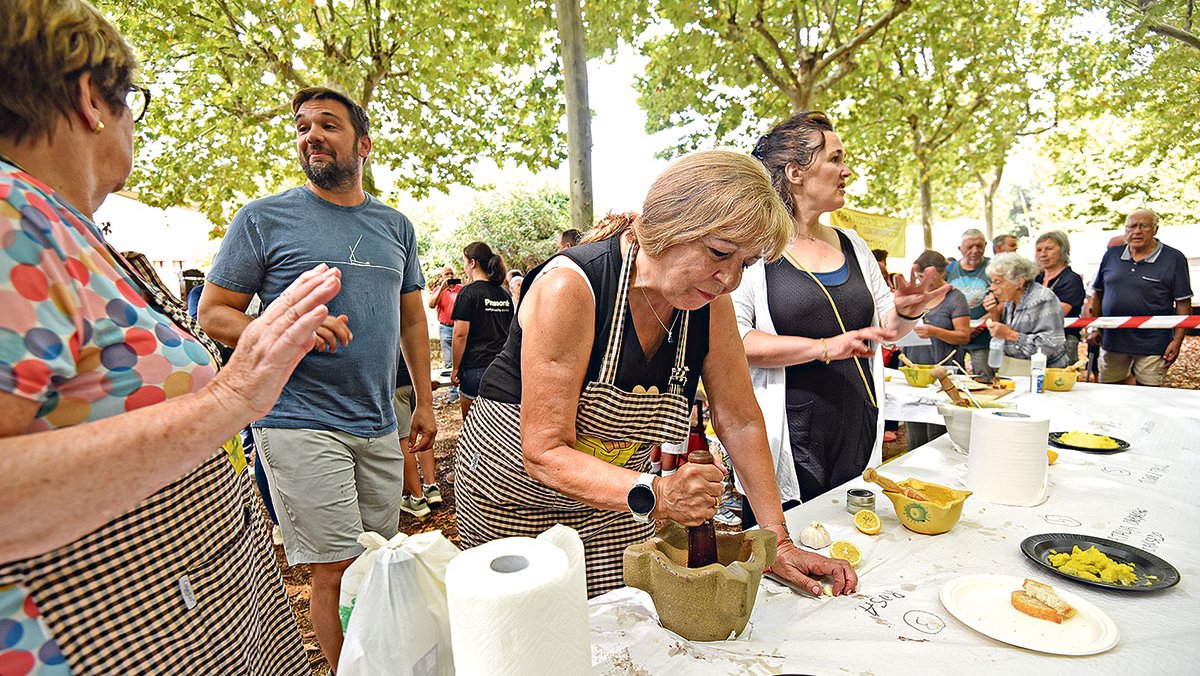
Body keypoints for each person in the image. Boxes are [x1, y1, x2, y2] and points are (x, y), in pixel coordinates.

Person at [0, 3, 341, 671]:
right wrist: (232, 396)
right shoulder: (14, 215)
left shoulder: (62, 226)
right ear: (90, 98)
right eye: (133, 102)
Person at [455, 150, 859, 599]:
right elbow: (545, 450)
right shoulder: (571, 286)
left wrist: (776, 539)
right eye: (720, 252)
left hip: (618, 498)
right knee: (533, 621)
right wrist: (660, 495)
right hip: (516, 491)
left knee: (620, 617)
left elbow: (741, 421)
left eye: (744, 264)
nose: (728, 280)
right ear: (670, 224)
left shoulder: (711, 305)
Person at [198, 85, 436, 666]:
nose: (312, 136)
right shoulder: (263, 219)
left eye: (328, 125)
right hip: (298, 420)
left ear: (364, 145)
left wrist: (423, 405)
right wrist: (289, 328)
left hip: (378, 421)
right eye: (303, 127)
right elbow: (212, 313)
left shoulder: (395, 227)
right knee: (333, 567)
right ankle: (341, 667)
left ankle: (379, 662)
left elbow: (411, 322)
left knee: (377, 559)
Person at [737, 112, 948, 510]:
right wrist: (825, 347)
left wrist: (906, 312)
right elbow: (739, 340)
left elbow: (886, 326)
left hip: (858, 420)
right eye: (835, 159)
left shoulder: (852, 244)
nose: (846, 171)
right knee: (792, 548)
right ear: (796, 172)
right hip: (791, 430)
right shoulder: (755, 249)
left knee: (855, 545)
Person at [1088, 210, 1193, 386]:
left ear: (1155, 230)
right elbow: (1097, 293)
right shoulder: (1111, 256)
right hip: (1113, 340)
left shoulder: (1173, 258)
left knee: (1149, 394)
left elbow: (1183, 302)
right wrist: (1095, 328)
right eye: (1131, 227)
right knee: (1109, 392)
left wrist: (1177, 341)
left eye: (1143, 226)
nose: (1137, 231)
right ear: (1125, 230)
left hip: (1153, 342)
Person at [903, 250, 971, 448]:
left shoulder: (955, 298)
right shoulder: (917, 297)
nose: (919, 281)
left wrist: (935, 331)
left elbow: (963, 335)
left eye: (922, 276)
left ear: (938, 273)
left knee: (939, 433)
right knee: (914, 432)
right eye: (917, 276)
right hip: (915, 373)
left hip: (944, 374)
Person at [451, 242, 515, 418]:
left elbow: (460, 334)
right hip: (502, 369)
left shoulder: (468, 293)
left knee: (472, 428)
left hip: (475, 369)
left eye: (464, 261)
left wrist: (455, 368)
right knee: (499, 426)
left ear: (472, 263)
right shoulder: (504, 294)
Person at [983, 253, 1068, 368]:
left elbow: (1050, 346)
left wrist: (1010, 335)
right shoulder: (1010, 299)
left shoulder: (1042, 299)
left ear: (1019, 282)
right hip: (1017, 369)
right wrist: (994, 312)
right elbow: (1000, 335)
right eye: (992, 282)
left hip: (1044, 373)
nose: (992, 288)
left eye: (998, 282)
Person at [394, 359, 439, 517]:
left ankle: (417, 498)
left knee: (404, 439)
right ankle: (431, 487)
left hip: (395, 383)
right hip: (415, 382)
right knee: (422, 432)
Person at [948, 229, 994, 379]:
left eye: (979, 246)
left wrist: (979, 325)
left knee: (985, 380)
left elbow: (1003, 303)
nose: (975, 251)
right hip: (954, 338)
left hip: (983, 339)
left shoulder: (993, 268)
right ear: (960, 249)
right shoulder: (950, 269)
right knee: (953, 379)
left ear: (986, 246)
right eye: (969, 247)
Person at [1034, 231, 1086, 363]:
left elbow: (1058, 313)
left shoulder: (1071, 279)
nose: (1043, 254)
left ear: (1063, 250)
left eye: (1049, 249)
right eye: (1039, 250)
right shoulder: (1035, 279)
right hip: (1034, 341)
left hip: (1063, 341)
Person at [427, 265, 463, 403]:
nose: (449, 277)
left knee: (462, 360)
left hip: (459, 326)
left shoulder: (461, 289)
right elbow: (431, 304)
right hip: (445, 328)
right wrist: (441, 288)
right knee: (449, 362)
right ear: (442, 276)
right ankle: (453, 394)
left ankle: (462, 390)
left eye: (451, 274)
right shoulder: (439, 290)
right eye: (446, 274)